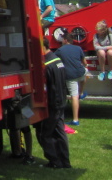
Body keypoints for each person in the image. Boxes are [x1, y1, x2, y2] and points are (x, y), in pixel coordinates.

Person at [35, 38, 71, 169]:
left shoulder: (47, 64)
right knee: (60, 132)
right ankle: (65, 161)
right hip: (61, 101)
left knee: (44, 134)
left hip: (53, 103)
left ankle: (54, 161)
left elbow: (46, 86)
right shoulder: (58, 60)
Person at [55, 30, 87, 126]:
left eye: (62, 39)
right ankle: (81, 92)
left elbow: (53, 59)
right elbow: (85, 63)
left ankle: (75, 120)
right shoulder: (78, 48)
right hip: (80, 73)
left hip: (70, 76)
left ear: (65, 40)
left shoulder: (60, 50)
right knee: (86, 71)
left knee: (74, 96)